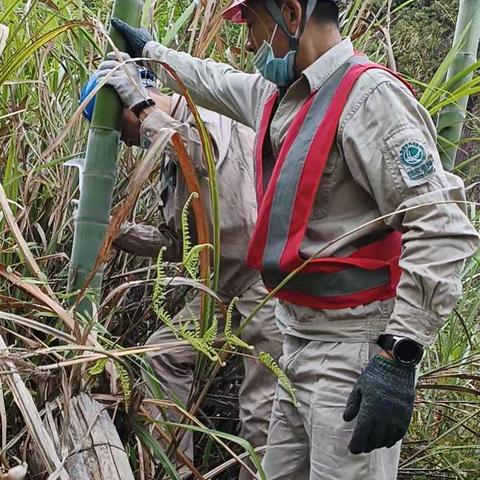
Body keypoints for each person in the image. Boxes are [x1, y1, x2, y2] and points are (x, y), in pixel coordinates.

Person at [108, 1, 480, 479]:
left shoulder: (369, 99)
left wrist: (398, 355)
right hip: (296, 336)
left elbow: (443, 225)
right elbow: (214, 80)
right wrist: (151, 51)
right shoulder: (278, 96)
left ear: (290, 12)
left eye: (254, 26)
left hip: (351, 348)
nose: (248, 43)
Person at [80, 60, 283, 480]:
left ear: (132, 99)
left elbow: (195, 150)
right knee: (163, 356)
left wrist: (140, 105)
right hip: (222, 290)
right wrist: (117, 232)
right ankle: (176, 469)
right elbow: (179, 244)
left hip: (266, 282)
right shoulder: (166, 157)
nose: (126, 140)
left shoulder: (202, 113)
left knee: (263, 406)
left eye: (121, 126)